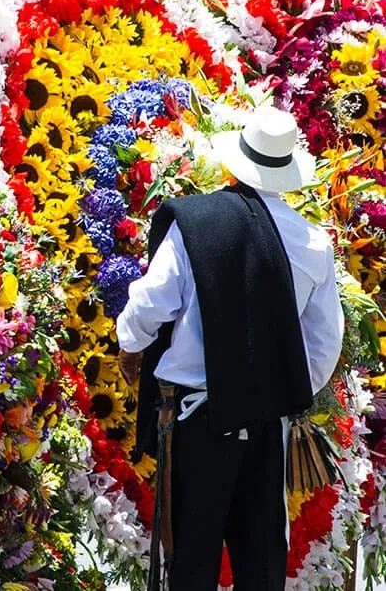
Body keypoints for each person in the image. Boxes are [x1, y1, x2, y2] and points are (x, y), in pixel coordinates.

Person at [115, 105, 344, 591]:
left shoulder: (194, 223)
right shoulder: (313, 243)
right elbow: (323, 347)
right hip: (265, 425)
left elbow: (150, 304)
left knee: (190, 560)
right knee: (260, 560)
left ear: (234, 162)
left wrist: (130, 346)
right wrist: (274, 390)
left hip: (197, 420)